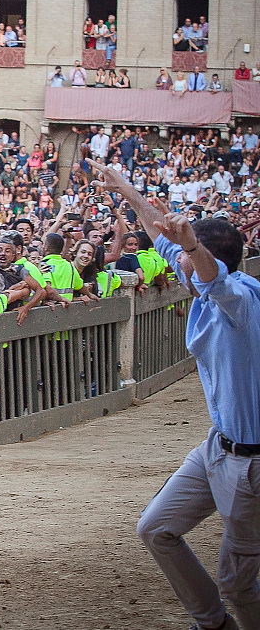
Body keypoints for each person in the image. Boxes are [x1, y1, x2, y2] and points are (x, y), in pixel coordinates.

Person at [91, 158, 260, 630]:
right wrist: (127, 191)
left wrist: (193, 248)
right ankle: (212, 623)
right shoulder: (203, 280)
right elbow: (163, 238)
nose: (173, 259)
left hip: (251, 464)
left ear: (203, 256)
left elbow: (213, 277)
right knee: (156, 529)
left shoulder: (239, 300)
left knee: (239, 584)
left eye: (184, 252)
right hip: (217, 448)